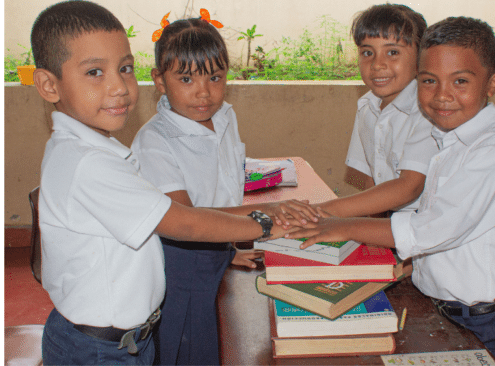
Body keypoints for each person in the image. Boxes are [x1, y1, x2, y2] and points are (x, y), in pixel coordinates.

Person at [27, 2, 305, 364]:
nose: (119, 88)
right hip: (99, 350)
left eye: (125, 69)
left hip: (125, 340)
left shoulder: (98, 150)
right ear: (50, 85)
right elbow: (184, 220)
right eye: (95, 72)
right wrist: (266, 222)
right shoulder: (87, 163)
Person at [289, 16, 495, 366]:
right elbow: (434, 228)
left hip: (487, 319)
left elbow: (430, 230)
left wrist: (338, 225)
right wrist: (411, 269)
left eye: (460, 81)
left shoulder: (493, 151)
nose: (442, 96)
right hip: (448, 307)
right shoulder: (449, 139)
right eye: (429, 81)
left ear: (492, 83)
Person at [130, 15, 319, 365]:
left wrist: (228, 249)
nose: (204, 92)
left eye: (214, 77)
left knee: (217, 339)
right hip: (179, 265)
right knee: (186, 348)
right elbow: (187, 219)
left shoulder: (224, 116)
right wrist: (265, 217)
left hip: (216, 245)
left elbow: (221, 188)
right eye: (186, 79)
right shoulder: (154, 142)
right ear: (159, 80)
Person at [314, 4, 438, 219]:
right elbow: (373, 181)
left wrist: (323, 212)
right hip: (392, 227)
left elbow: (409, 187)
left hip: (431, 228)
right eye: (367, 53)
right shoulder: (367, 106)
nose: (378, 64)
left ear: (421, 59)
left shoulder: (428, 111)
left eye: (392, 52)